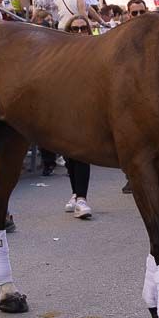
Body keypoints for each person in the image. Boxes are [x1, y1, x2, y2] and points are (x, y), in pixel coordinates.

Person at [60, 15, 95, 219]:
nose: (80, 32)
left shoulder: (96, 51)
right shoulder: (61, 53)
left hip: (87, 109)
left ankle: (82, 198)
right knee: (69, 155)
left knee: (81, 153)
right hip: (64, 109)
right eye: (75, 29)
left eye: (83, 28)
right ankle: (75, 193)